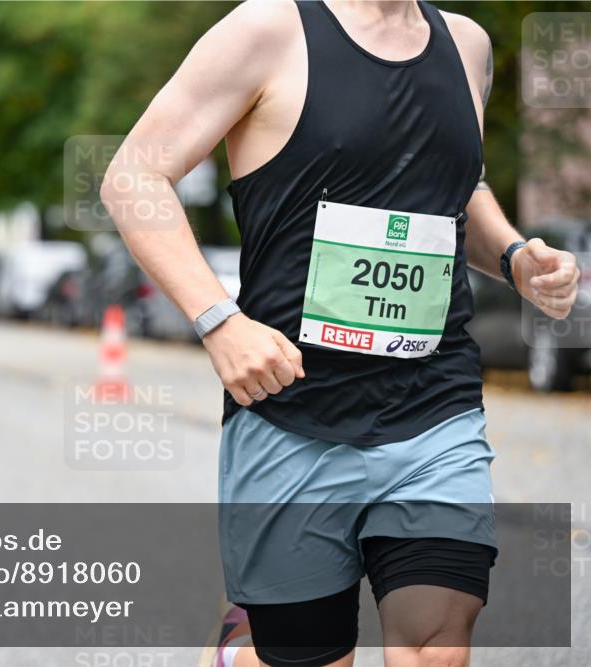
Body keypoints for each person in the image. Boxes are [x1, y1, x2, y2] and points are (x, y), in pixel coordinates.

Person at [100, 2, 580, 667]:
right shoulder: (264, 32)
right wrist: (219, 319)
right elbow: (132, 176)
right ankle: (240, 651)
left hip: (432, 408)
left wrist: (514, 255)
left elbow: (453, 182)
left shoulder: (466, 45)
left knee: (436, 647)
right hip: (290, 407)